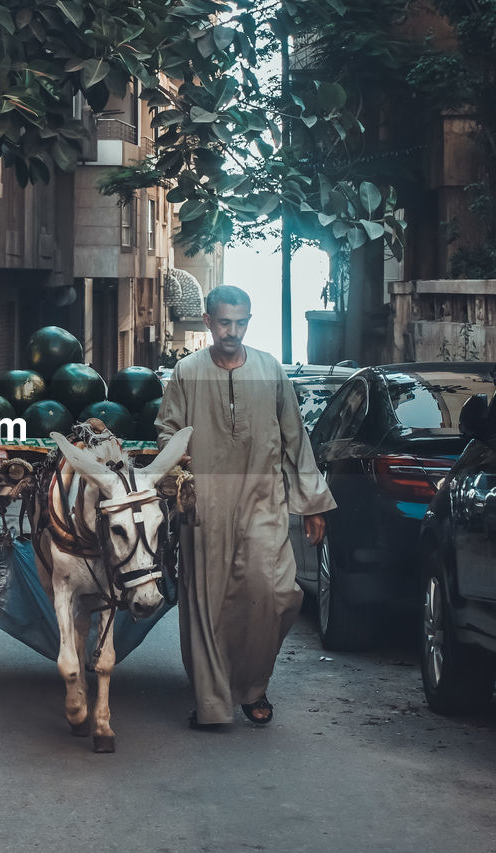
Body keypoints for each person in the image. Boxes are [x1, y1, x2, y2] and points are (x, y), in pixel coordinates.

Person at [155, 285, 335, 728]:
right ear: (207, 321)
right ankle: (213, 704)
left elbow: (295, 437)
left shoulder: (270, 369)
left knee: (276, 594)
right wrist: (178, 461)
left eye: (240, 323)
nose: (232, 332)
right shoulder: (186, 371)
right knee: (207, 604)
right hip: (205, 506)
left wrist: (312, 504)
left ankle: (254, 685)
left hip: (262, 501)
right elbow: (167, 430)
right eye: (224, 323)